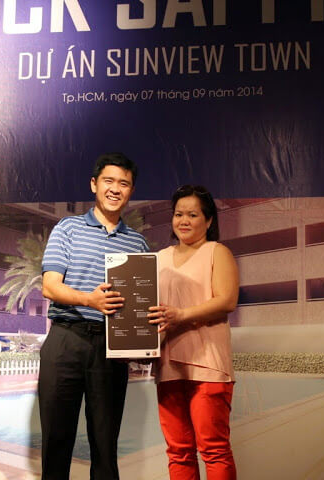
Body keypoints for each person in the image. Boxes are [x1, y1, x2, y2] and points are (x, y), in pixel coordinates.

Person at [39, 152, 149, 480]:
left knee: (105, 444)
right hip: (66, 340)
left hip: (111, 349)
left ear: (131, 190)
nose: (115, 189)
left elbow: (140, 300)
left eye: (124, 183)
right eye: (108, 181)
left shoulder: (138, 242)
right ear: (94, 184)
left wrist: (148, 325)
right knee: (56, 440)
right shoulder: (67, 228)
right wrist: (90, 300)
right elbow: (50, 286)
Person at [147, 185, 239, 480]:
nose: (183, 220)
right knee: (178, 452)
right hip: (168, 365)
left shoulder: (217, 252)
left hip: (207, 364)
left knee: (214, 449)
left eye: (192, 214)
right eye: (178, 214)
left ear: (208, 220)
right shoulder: (159, 258)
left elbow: (227, 301)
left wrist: (181, 315)